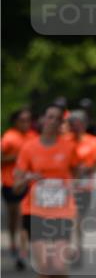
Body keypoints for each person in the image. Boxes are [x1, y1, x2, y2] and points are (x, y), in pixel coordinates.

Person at [13, 103, 81, 278]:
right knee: (43, 267)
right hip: (36, 211)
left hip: (62, 211)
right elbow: (16, 185)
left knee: (58, 266)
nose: (50, 121)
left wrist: (75, 181)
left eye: (55, 118)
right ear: (42, 120)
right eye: (48, 116)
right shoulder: (28, 148)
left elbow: (79, 171)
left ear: (61, 123)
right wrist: (29, 177)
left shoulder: (69, 147)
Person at [68, 109, 96, 263]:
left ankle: (78, 248)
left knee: (78, 218)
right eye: (73, 125)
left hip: (85, 186)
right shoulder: (64, 141)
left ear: (85, 125)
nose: (76, 128)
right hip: (66, 185)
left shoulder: (94, 141)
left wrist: (89, 168)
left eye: (79, 124)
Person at [2, 107, 35, 269]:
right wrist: (15, 157)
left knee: (24, 218)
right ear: (15, 122)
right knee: (14, 217)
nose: (26, 123)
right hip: (10, 183)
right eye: (23, 120)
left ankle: (22, 251)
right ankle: (13, 243)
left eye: (28, 120)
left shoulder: (32, 136)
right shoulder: (9, 138)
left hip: (28, 184)